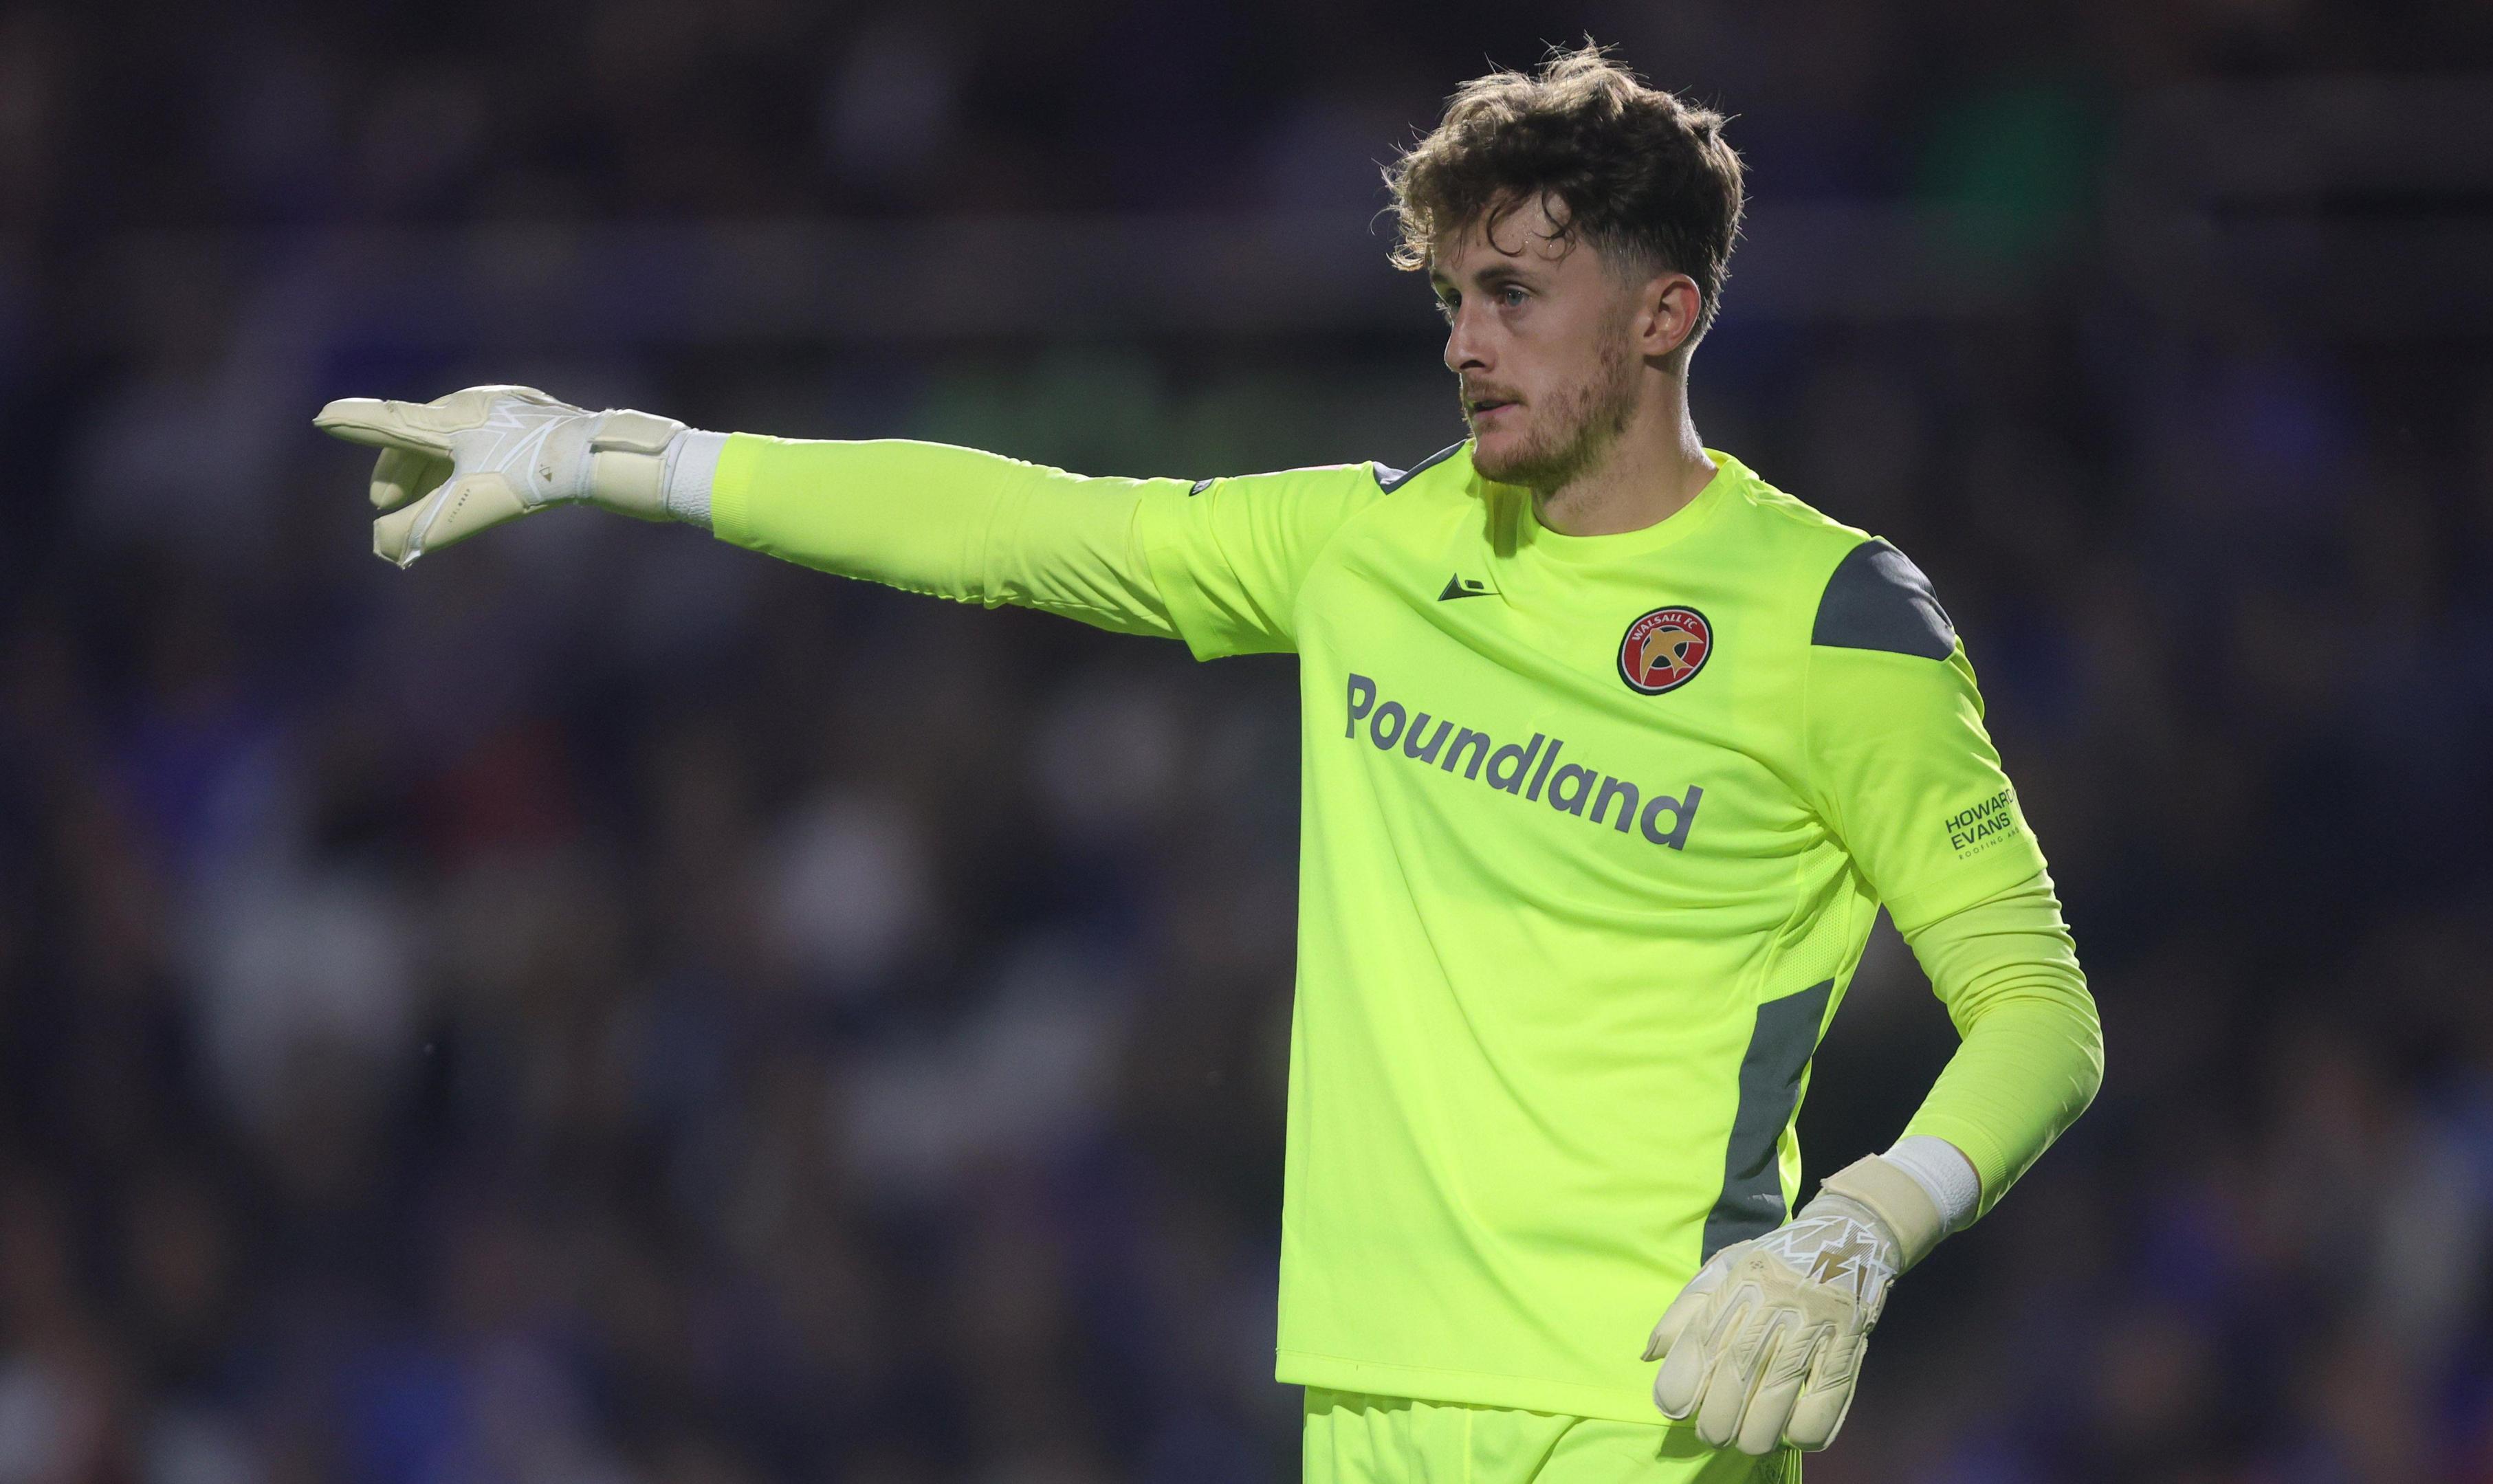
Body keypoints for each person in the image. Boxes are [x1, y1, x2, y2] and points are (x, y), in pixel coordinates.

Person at [316, 45, 2101, 1484]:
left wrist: (1862, 1226)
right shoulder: (1373, 546)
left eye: (1518, 292)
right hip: (1364, 1404)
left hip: (1650, 1409)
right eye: (1453, 296)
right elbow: (1015, 525)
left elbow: (2038, 1012)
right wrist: (597, 451)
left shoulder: (1836, 617)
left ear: (1665, 315)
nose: (1468, 337)